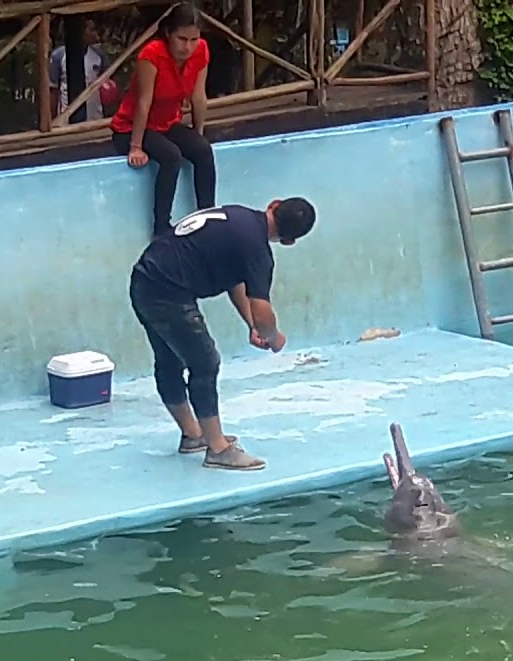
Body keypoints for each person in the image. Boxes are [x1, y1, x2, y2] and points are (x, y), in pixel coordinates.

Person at [127, 197, 318, 471]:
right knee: (205, 363)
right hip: (168, 294)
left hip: (144, 280)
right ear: (289, 241)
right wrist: (273, 337)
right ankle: (218, 449)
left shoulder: (237, 217)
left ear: (274, 205)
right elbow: (263, 311)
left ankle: (193, 435)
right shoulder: (258, 251)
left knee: (169, 361)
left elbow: (235, 280)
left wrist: (251, 324)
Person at [110, 3, 216, 236]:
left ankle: (207, 216)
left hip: (166, 123)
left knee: (203, 150)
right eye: (182, 39)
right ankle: (161, 228)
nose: (187, 47)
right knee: (171, 156)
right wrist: (136, 146)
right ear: (168, 33)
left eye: (193, 39)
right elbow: (143, 102)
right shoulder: (152, 54)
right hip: (132, 127)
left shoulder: (201, 51)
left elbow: (198, 96)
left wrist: (197, 133)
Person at [48, 19, 111, 121]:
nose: (95, 34)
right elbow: (53, 90)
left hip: (95, 118)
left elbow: (108, 86)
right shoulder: (59, 56)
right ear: (81, 33)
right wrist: (53, 119)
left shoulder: (99, 55)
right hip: (66, 119)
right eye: (91, 30)